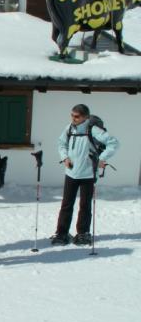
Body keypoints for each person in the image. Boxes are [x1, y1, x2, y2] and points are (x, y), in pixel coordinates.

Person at [51, 104, 119, 245]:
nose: (73, 118)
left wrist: (102, 158)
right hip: (71, 173)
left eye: (76, 116)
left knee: (85, 205)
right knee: (66, 204)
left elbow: (114, 143)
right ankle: (62, 233)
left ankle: (83, 234)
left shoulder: (93, 130)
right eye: (72, 115)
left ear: (85, 117)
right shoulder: (69, 128)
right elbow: (61, 144)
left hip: (88, 174)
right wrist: (65, 157)